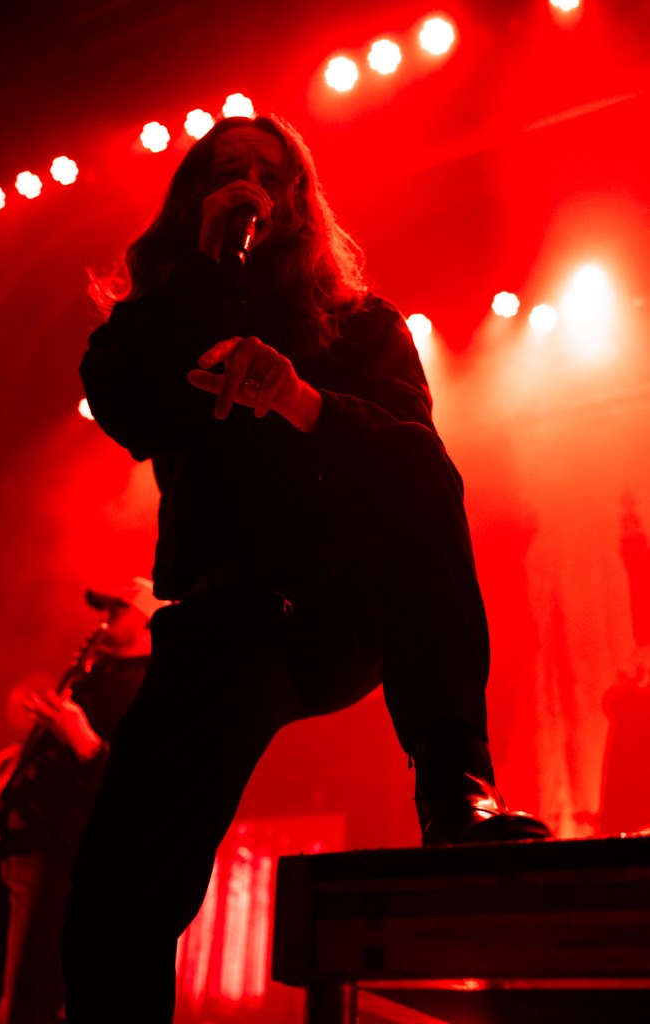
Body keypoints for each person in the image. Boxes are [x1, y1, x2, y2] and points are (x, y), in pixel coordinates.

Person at [65, 113, 551, 1023]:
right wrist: (204, 276)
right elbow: (124, 406)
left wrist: (301, 403)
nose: (248, 183)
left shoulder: (363, 325)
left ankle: (454, 785)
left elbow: (415, 467)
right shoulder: (157, 320)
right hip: (228, 612)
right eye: (225, 170)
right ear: (196, 199)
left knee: (409, 459)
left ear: (299, 200)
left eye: (268, 171)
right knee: (113, 896)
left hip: (342, 600)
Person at [0, 578, 164, 1024]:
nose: (102, 619)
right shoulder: (95, 674)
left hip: (53, 856)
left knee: (31, 996)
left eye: (117, 612)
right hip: (15, 849)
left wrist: (83, 741)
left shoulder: (143, 691)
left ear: (146, 626)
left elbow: (134, 791)